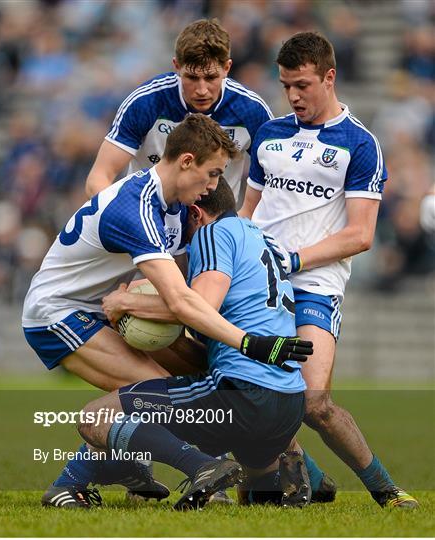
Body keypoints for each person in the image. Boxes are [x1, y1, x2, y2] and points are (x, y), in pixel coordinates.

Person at [22, 114, 312, 508]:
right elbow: (180, 300)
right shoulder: (135, 207)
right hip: (59, 312)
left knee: (186, 384)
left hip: (103, 307)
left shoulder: (177, 204)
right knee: (156, 392)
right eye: (212, 174)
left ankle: (123, 467)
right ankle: (202, 469)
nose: (214, 187)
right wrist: (251, 343)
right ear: (186, 161)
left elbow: (189, 287)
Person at [239, 31, 418, 509]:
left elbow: (361, 235)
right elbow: (246, 214)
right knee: (249, 395)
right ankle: (310, 479)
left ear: (329, 77)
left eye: (302, 84)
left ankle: (386, 492)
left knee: (313, 402)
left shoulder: (360, 144)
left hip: (316, 284)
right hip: (260, 281)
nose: (293, 95)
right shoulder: (269, 134)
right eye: (286, 86)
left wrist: (293, 259)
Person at [76, 176, 312, 510]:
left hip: (240, 394)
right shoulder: (262, 239)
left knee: (95, 417)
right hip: (289, 403)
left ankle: (202, 467)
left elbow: (200, 305)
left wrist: (123, 304)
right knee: (258, 496)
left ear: (196, 213)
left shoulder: (212, 233)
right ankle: (287, 470)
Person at [85, 18, 273, 206]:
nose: (201, 90)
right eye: (192, 77)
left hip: (213, 224)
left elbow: (276, 177)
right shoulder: (146, 101)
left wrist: (246, 220)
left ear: (226, 68)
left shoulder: (251, 110)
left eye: (210, 77)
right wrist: (124, 221)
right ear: (176, 66)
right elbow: (99, 178)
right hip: (148, 213)